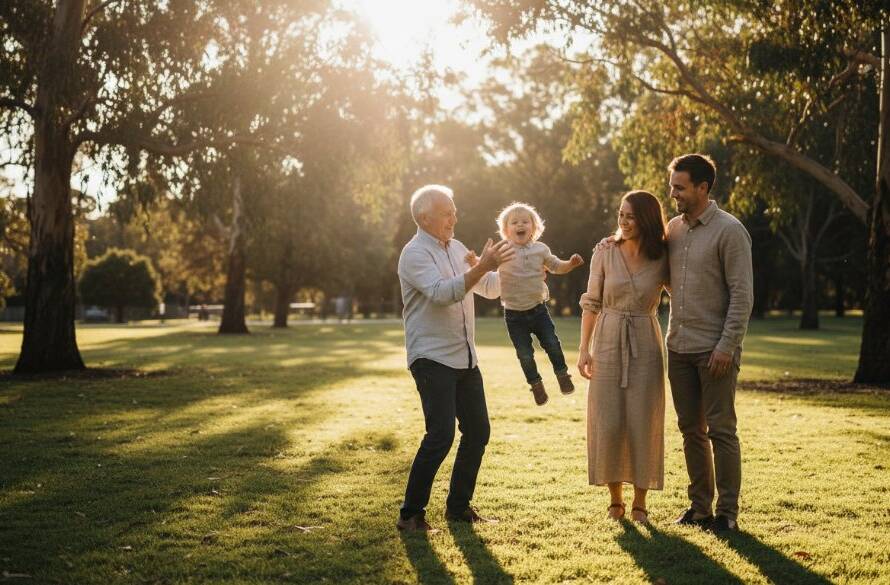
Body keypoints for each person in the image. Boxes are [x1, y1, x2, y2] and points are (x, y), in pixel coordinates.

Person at [395, 184, 515, 533]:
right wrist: (483, 267)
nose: (454, 217)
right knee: (441, 434)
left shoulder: (458, 248)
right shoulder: (414, 253)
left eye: (454, 210)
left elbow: (489, 287)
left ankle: (458, 509)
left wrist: (518, 269)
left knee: (478, 431)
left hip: (465, 358)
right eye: (447, 212)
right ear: (424, 217)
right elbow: (442, 294)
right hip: (431, 357)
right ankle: (410, 515)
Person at [664, 154, 753, 533]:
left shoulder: (730, 231)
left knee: (721, 430)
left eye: (680, 187)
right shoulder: (673, 229)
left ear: (703, 188)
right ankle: (699, 508)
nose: (673, 194)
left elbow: (742, 294)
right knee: (690, 430)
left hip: (714, 350)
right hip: (678, 347)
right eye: (672, 186)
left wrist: (726, 345)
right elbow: (671, 282)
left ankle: (727, 513)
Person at [577, 191, 670, 524]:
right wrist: (584, 348)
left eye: (631, 216)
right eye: (620, 215)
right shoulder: (604, 251)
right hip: (607, 337)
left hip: (645, 340)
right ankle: (615, 499)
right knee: (609, 420)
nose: (624, 222)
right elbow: (591, 302)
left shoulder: (663, 255)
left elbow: (683, 295)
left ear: (646, 218)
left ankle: (640, 502)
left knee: (643, 420)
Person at [467, 202, 584, 405]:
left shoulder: (541, 249)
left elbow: (556, 266)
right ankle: (536, 385)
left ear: (534, 227)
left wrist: (570, 264)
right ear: (505, 230)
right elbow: (485, 263)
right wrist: (473, 261)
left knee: (553, 344)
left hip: (538, 310)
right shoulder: (502, 249)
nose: (520, 225)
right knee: (525, 354)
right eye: (514, 222)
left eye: (525, 222)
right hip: (513, 315)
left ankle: (563, 375)